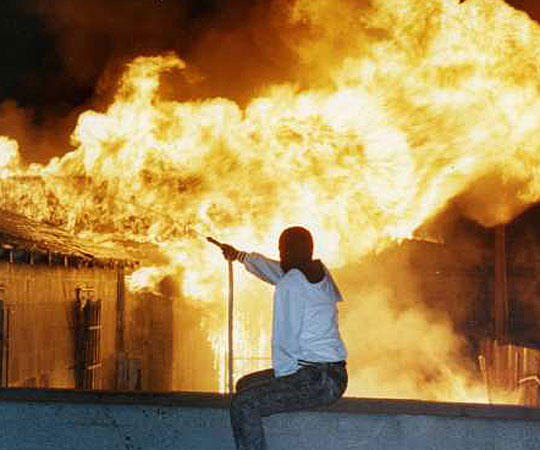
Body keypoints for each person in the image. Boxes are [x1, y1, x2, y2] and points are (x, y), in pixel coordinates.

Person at [219, 226, 348, 450]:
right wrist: (240, 256)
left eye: (283, 250)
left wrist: (284, 380)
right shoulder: (317, 272)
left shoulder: (292, 284)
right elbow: (276, 271)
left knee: (244, 404)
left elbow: (285, 340)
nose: (281, 255)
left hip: (317, 380)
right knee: (245, 385)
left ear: (296, 252)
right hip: (331, 375)